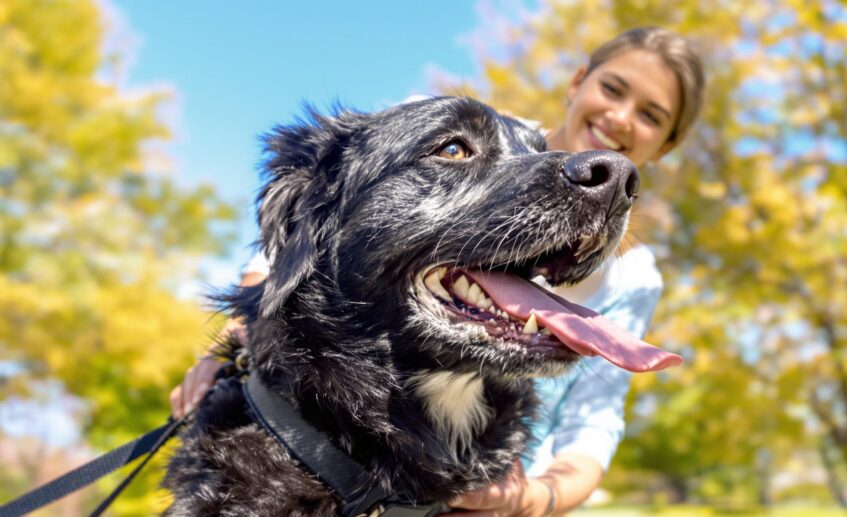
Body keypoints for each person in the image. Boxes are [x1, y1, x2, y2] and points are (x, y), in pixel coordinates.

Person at [169, 26, 705, 517]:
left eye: (652, 115)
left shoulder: (635, 277)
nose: (621, 118)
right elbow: (279, 255)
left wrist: (531, 498)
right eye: (614, 89)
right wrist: (236, 342)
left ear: (669, 143)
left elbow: (593, 423)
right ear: (579, 83)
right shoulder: (420, 123)